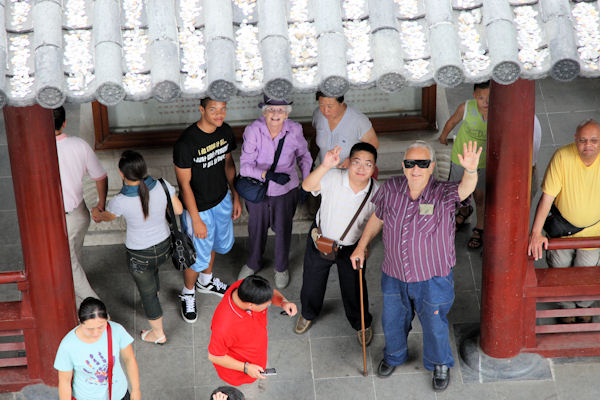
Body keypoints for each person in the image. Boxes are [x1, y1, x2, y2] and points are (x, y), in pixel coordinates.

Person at [351, 140, 482, 391]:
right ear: (403, 165)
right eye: (410, 163)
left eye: (422, 163)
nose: (415, 169)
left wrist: (471, 170)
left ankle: (440, 363)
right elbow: (378, 217)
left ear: (431, 166)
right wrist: (361, 245)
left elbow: (465, 189)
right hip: (394, 273)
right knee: (393, 320)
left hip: (432, 277)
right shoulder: (391, 188)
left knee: (434, 324)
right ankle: (394, 355)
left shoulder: (443, 192)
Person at [295, 143, 380, 347]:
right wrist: (325, 165)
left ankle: (361, 324)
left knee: (355, 288)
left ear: (374, 167)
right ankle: (308, 313)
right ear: (349, 162)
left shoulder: (377, 192)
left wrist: (364, 244)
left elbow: (376, 221)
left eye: (367, 164)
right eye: (357, 162)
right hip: (321, 240)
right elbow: (307, 187)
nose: (361, 168)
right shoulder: (333, 176)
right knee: (312, 282)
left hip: (352, 247)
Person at [92, 151, 183, 340]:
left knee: (147, 294)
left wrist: (97, 213)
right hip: (165, 246)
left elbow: (104, 217)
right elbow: (179, 209)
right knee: (154, 270)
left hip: (140, 254)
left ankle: (158, 334)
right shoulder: (162, 185)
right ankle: (154, 296)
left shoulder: (120, 201)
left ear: (121, 173)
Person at [173, 97, 243, 323]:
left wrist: (235, 195)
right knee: (196, 256)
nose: (219, 114)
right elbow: (184, 185)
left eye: (223, 109)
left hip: (221, 199)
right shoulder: (186, 143)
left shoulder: (225, 131)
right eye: (213, 109)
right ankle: (188, 292)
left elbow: (228, 163)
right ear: (202, 109)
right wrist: (195, 219)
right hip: (199, 209)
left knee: (213, 244)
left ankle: (206, 281)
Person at [528, 119, 600, 323]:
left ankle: (583, 307)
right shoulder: (562, 156)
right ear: (575, 139)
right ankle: (566, 309)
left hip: (594, 232)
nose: (588, 145)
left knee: (587, 271)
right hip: (562, 230)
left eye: (594, 140)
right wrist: (536, 233)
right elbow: (547, 198)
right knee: (559, 268)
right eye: (583, 140)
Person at [237, 95, 312, 289]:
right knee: (256, 228)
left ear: (287, 113)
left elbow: (304, 156)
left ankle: (281, 267)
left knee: (283, 229)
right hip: (257, 188)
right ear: (264, 112)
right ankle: (253, 262)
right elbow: (245, 167)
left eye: (281, 110)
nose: (276, 114)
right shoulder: (254, 130)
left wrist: (306, 182)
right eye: (271, 109)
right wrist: (268, 175)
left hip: (285, 189)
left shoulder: (295, 130)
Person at [53, 106, 108, 308]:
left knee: (69, 265)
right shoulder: (79, 145)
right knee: (74, 257)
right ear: (65, 122)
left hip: (61, 219)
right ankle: (77, 304)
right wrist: (100, 205)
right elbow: (100, 176)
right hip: (79, 214)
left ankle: (99, 312)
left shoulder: (37, 150)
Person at [208, 275, 297, 388]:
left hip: (256, 355)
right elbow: (215, 356)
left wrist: (283, 302)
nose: (270, 303)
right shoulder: (224, 327)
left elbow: (271, 293)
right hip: (240, 373)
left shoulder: (245, 287)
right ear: (250, 305)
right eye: (267, 304)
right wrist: (246, 368)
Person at [54, 297, 140, 400]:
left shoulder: (117, 331)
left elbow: (129, 359)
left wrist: (136, 389)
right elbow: (64, 381)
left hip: (118, 394)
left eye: (101, 327)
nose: (96, 333)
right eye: (90, 329)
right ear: (80, 321)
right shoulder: (68, 345)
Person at [438, 81, 490, 249]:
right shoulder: (466, 107)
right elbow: (452, 122)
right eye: (481, 98)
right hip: (460, 157)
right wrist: (443, 136)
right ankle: (464, 212)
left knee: (480, 196)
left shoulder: (500, 111)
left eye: (489, 98)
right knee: (455, 192)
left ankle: (479, 227)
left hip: (483, 161)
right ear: (475, 96)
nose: (485, 102)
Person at [313, 91, 379, 166]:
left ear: (341, 103)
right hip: (325, 173)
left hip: (351, 174)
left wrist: (352, 159)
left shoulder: (358, 120)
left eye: (330, 106)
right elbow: (315, 138)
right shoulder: (317, 114)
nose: (325, 110)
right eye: (321, 105)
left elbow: (373, 145)